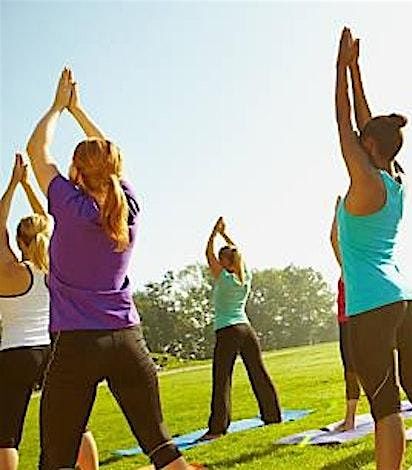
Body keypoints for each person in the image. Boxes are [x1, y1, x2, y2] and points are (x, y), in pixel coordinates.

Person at [25, 67, 197, 470]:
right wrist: (80, 111)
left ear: (77, 173)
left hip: (77, 347)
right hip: (127, 342)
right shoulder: (129, 206)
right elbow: (112, 161)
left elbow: (37, 149)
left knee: (56, 460)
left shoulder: (71, 205)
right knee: (162, 448)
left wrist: (58, 107)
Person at [333, 27, 412, 469]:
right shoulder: (394, 178)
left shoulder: (364, 182)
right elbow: (366, 124)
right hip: (402, 298)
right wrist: (355, 69)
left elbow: (345, 122)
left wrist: (337, 68)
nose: (357, 141)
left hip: (370, 306)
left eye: (364, 140)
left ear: (370, 147)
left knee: (385, 406)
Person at [0, 154, 98, 470]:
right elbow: (49, 220)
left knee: (6, 435)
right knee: (75, 423)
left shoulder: (9, 272)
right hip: (55, 349)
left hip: (15, 355)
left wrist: (13, 185)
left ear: (18, 241)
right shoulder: (57, 265)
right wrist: (29, 185)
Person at [199, 217, 282, 441]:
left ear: (226, 262)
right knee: (259, 372)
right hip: (246, 329)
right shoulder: (245, 277)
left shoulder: (225, 278)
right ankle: (273, 415)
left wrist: (213, 233)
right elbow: (238, 254)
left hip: (228, 330)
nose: (216, 261)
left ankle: (217, 428)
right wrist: (225, 236)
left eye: (220, 259)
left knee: (222, 378)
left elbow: (207, 253)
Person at [329, 196, 362, 432]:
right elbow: (333, 239)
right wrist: (337, 213)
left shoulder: (359, 265)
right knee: (350, 370)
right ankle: (349, 419)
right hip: (345, 323)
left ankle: (354, 419)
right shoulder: (348, 265)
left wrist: (340, 212)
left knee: (364, 369)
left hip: (359, 322)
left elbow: (334, 240)